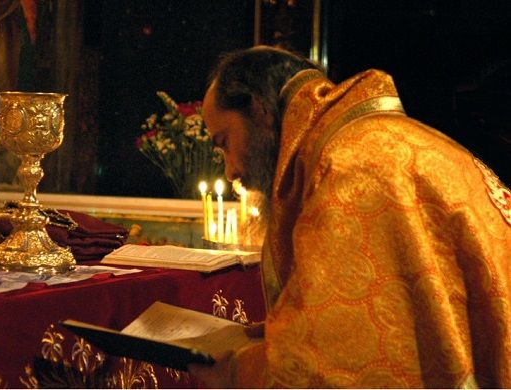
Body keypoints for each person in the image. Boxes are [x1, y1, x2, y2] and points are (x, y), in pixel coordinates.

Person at [188, 46, 511, 388]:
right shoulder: (377, 142)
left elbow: (337, 361)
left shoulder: (351, 169)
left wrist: (238, 373)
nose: (230, 171)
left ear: (258, 109)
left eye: (224, 142)